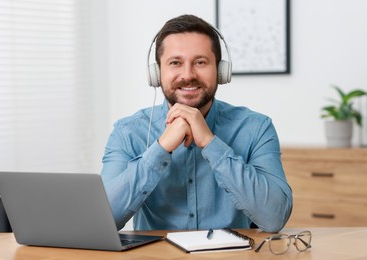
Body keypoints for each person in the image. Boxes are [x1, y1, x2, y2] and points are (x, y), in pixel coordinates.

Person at [101, 14, 292, 233]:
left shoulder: (256, 128)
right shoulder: (128, 133)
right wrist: (160, 148)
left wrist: (211, 143)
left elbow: (275, 217)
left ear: (221, 71)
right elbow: (103, 220)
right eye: (175, 63)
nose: (188, 75)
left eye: (200, 62)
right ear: (156, 73)